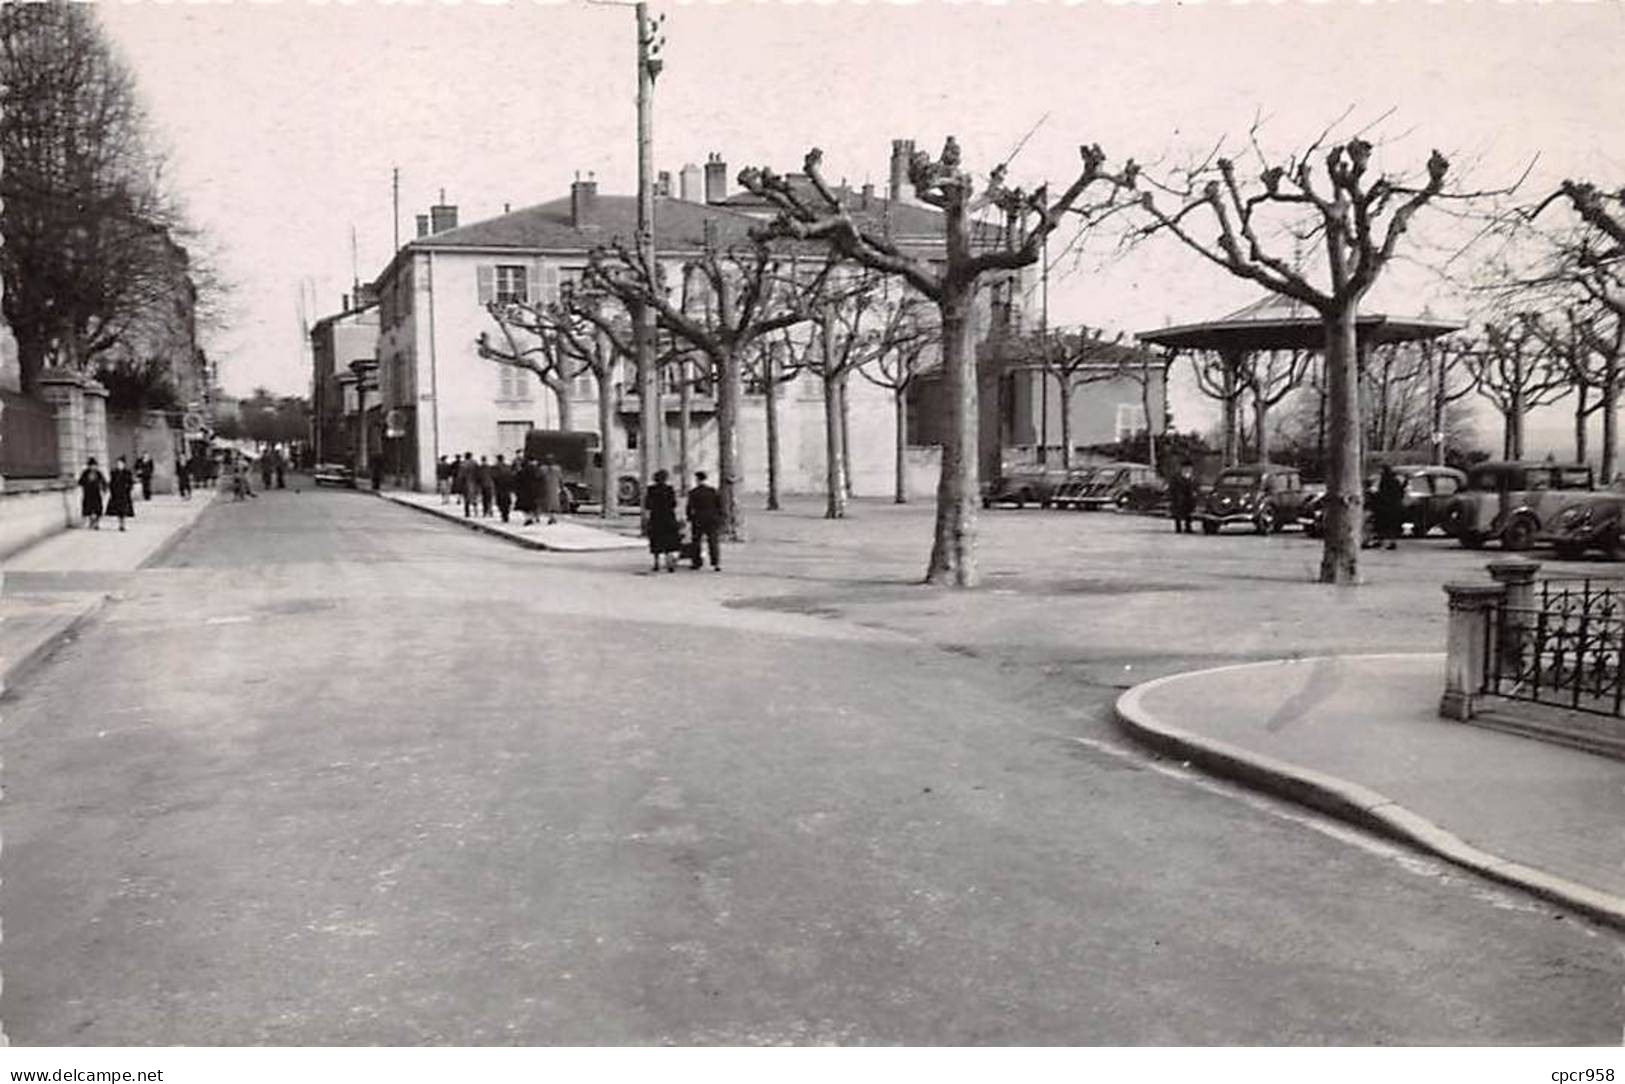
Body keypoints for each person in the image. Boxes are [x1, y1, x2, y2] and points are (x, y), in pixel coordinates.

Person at [643, 469, 682, 572]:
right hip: (668, 517)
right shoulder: (670, 489)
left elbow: (647, 505)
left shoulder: (651, 490)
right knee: (669, 541)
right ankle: (669, 563)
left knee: (656, 540)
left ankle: (656, 563)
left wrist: (647, 518)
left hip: (656, 518)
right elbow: (674, 504)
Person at [685, 470, 723, 571]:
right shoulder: (713, 491)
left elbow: (689, 508)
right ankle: (716, 563)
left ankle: (697, 563)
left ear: (697, 480)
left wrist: (689, 518)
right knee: (713, 541)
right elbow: (719, 505)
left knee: (696, 541)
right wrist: (719, 517)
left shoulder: (693, 492)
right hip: (712, 518)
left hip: (698, 519)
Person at [1373, 464, 1406, 551]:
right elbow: (1401, 492)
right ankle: (1392, 542)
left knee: (1384, 525)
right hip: (1395, 506)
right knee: (1392, 526)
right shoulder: (1396, 481)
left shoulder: (1385, 481)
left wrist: (1376, 495)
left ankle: (1384, 543)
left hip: (1386, 507)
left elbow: (1383, 494)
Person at [107, 456, 137, 532]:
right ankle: (120, 523)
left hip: (124, 494)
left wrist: (128, 488)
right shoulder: (114, 473)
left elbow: (131, 482)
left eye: (120, 464)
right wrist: (112, 491)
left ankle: (122, 524)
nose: (119, 465)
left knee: (123, 510)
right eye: (118, 464)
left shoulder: (127, 473)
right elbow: (111, 483)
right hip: (116, 494)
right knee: (118, 510)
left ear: (124, 464)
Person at [1168, 461, 1197, 534]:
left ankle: (1188, 527)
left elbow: (1195, 486)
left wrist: (1194, 492)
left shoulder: (1192, 477)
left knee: (1189, 513)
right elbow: (1172, 487)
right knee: (1178, 513)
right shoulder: (1177, 477)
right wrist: (1174, 496)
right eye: (1186, 468)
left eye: (1190, 468)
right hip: (1179, 498)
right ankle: (1178, 528)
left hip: (1189, 498)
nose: (1188, 469)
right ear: (1182, 468)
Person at [78, 457, 107, 530]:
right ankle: (91, 521)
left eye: (94, 465)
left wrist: (104, 489)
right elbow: (80, 482)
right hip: (88, 493)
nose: (93, 467)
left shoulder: (98, 473)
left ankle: (96, 523)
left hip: (96, 493)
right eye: (91, 465)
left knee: (98, 508)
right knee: (89, 509)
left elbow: (103, 482)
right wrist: (85, 484)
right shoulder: (85, 473)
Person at [538, 456, 564, 526]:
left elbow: (538, 478)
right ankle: (552, 517)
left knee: (544, 504)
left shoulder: (542, 469)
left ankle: (538, 517)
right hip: (554, 488)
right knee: (553, 504)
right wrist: (561, 487)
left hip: (544, 488)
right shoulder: (557, 469)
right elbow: (561, 479)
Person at [514, 456, 539, 526]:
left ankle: (528, 518)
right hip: (533, 490)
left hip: (524, 491)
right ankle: (534, 517)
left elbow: (516, 480)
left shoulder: (522, 471)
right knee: (533, 505)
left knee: (525, 506)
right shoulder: (535, 470)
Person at [455, 452, 479, 518]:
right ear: (471, 456)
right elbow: (478, 473)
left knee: (466, 499)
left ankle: (467, 513)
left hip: (465, 483)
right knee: (474, 497)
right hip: (474, 482)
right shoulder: (475, 463)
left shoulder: (463, 464)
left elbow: (460, 476)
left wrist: (459, 484)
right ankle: (476, 511)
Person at [493, 455, 514, 523]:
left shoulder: (495, 467)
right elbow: (511, 476)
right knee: (507, 501)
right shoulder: (507, 467)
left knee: (500, 502)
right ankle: (506, 514)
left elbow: (494, 477)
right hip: (507, 487)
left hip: (499, 487)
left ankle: (503, 514)